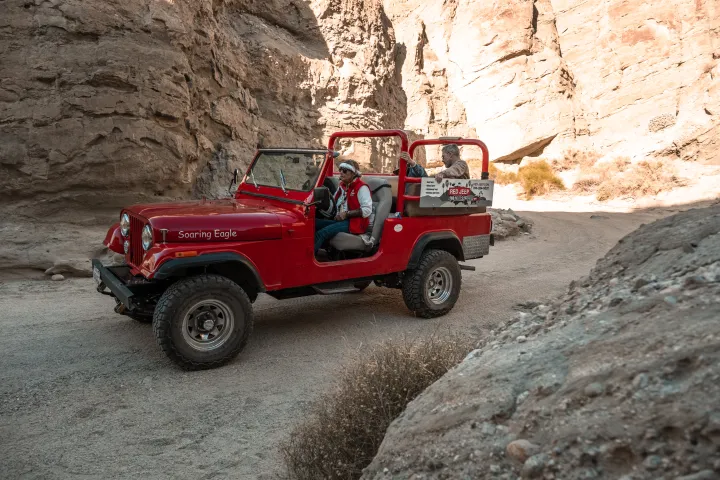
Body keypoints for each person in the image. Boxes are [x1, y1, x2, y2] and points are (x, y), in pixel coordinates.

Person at [314, 159, 372, 254]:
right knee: (313, 223)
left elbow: (367, 210)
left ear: (353, 173)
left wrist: (346, 214)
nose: (341, 173)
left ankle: (308, 261)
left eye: (345, 171)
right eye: (340, 170)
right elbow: (333, 202)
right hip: (341, 220)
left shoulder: (361, 187)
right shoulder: (343, 186)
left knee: (321, 233)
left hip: (355, 223)